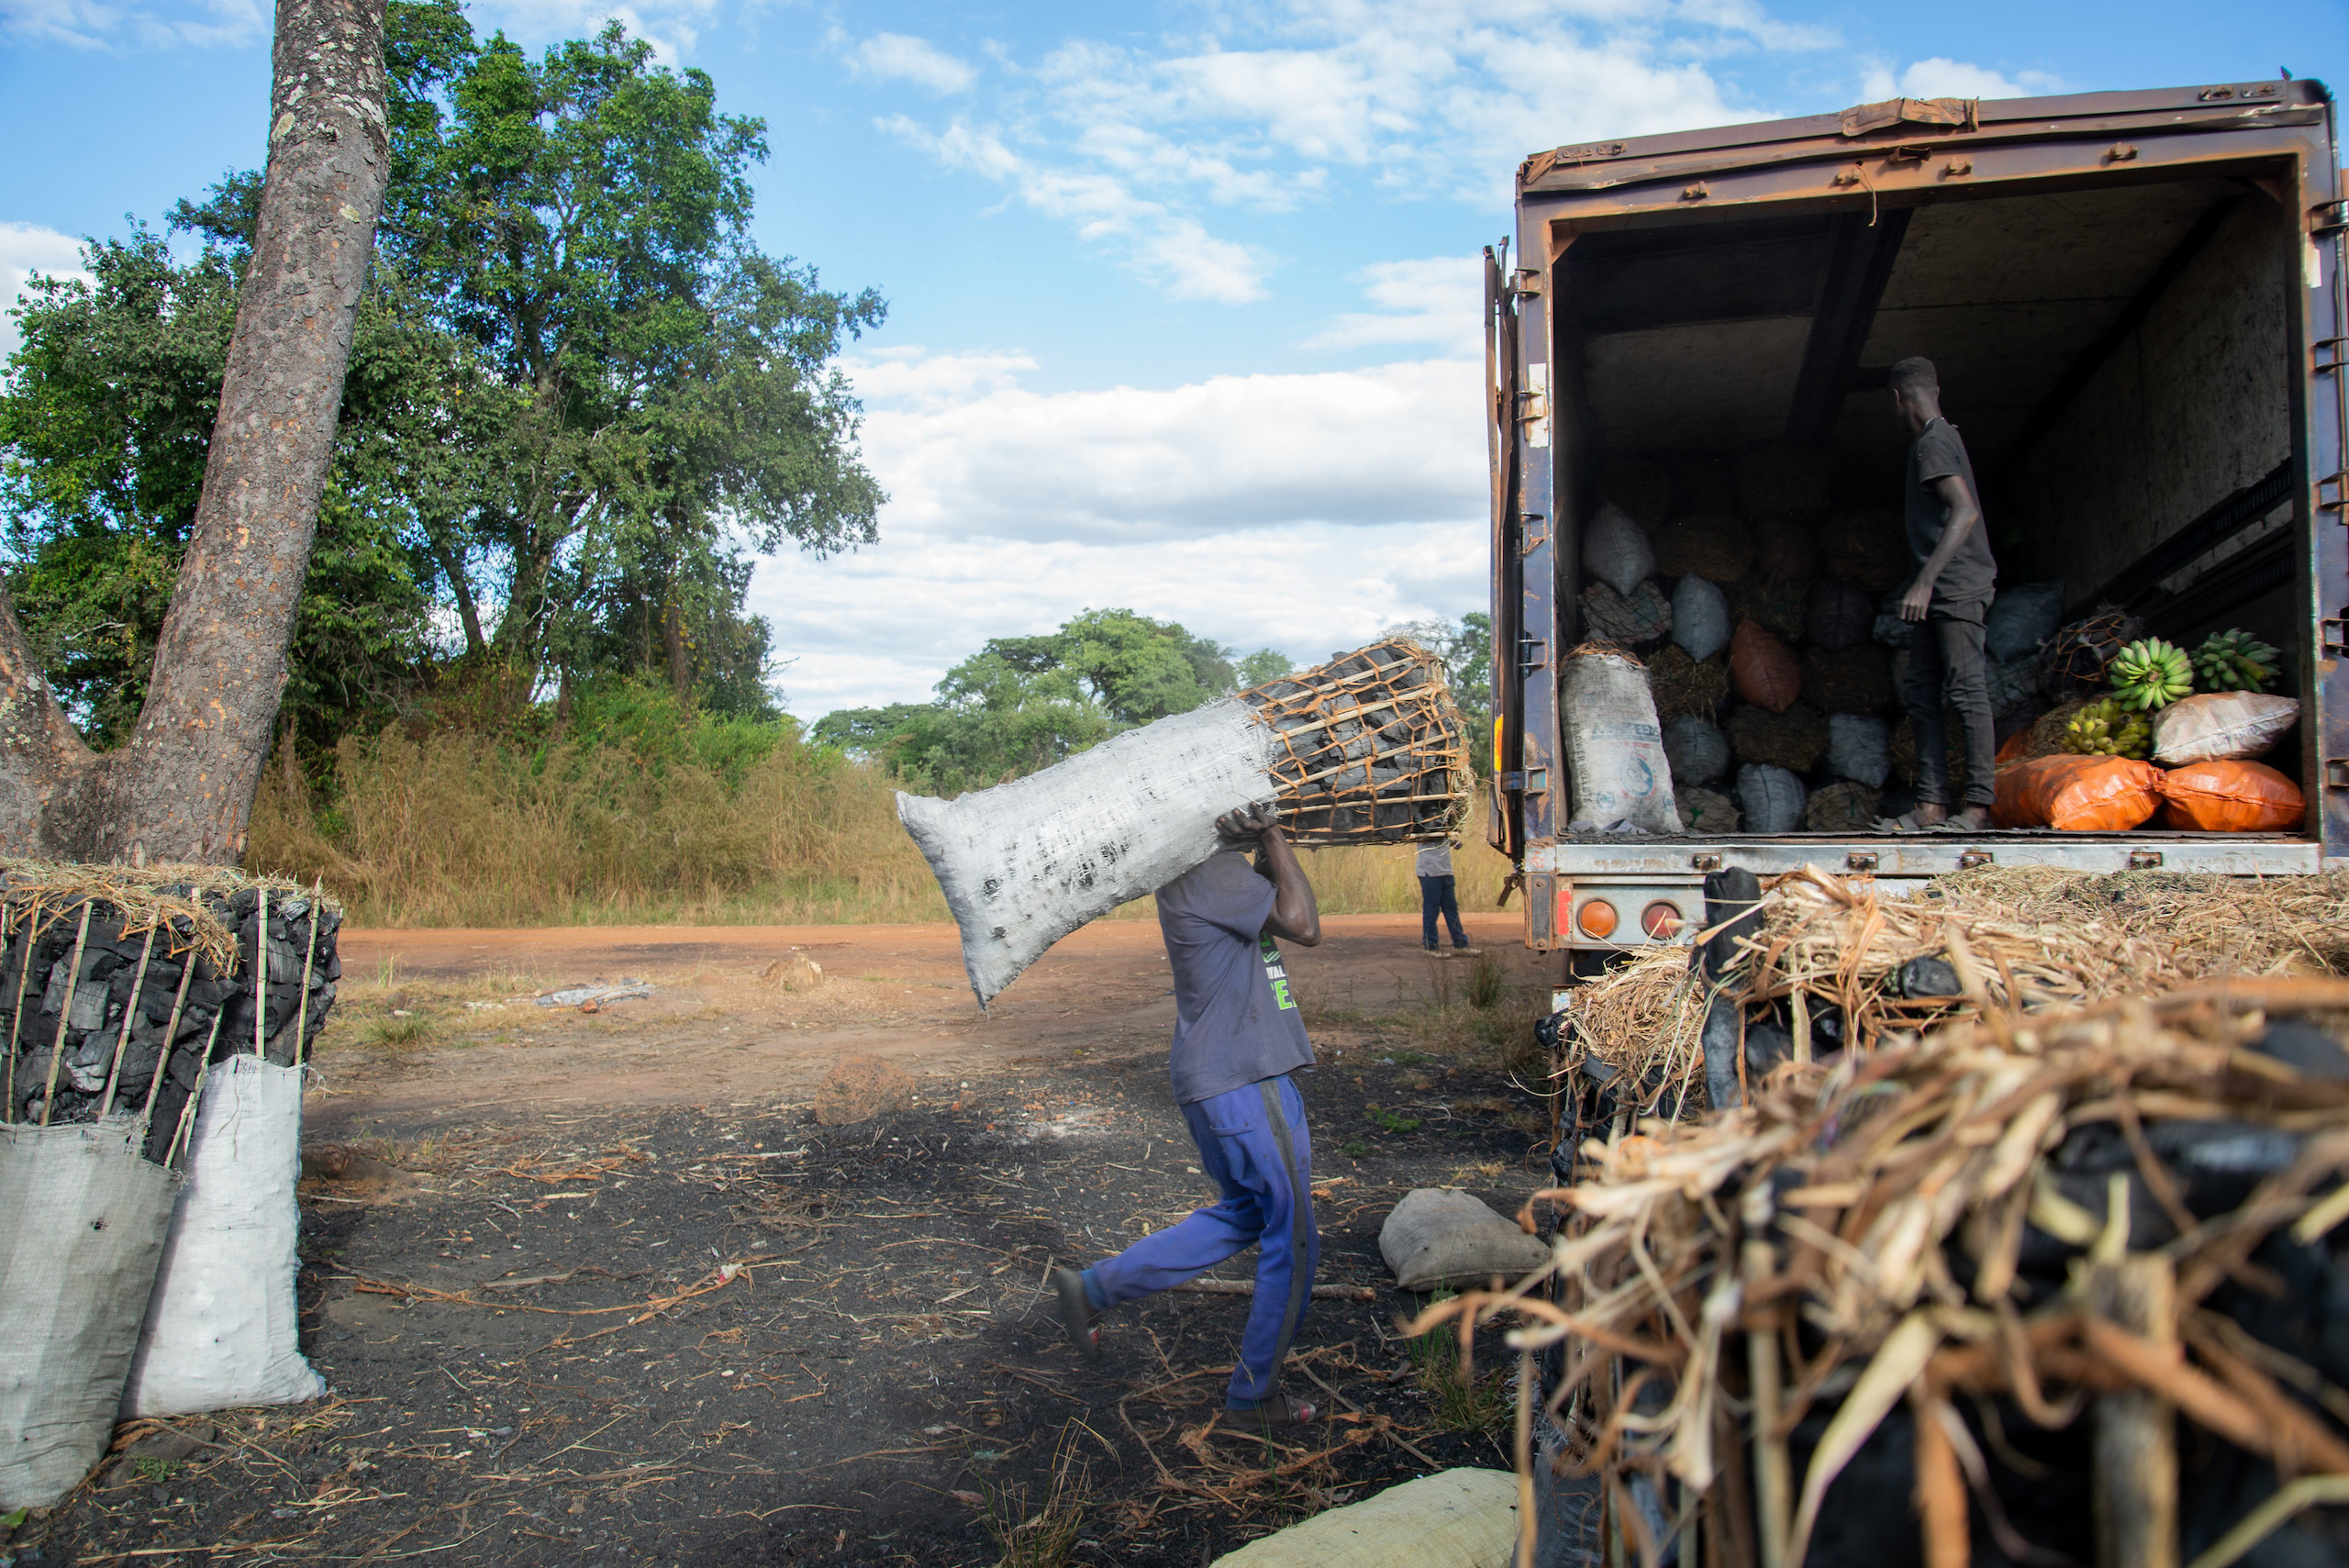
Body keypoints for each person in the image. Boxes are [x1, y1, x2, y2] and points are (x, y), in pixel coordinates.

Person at [1053, 802, 1324, 1424]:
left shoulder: (1203, 873)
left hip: (1214, 1079)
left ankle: (1092, 1291)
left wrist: (1266, 843)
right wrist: (1274, 831)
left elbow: (1273, 896)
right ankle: (1255, 1397)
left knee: (1247, 1214)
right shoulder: (1206, 870)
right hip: (1245, 1076)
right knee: (1297, 1235)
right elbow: (1303, 922)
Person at [1887, 355, 1998, 832]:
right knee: (1920, 690)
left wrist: (1925, 580)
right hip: (1943, 591)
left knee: (1967, 689)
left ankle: (1978, 808)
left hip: (1955, 588)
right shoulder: (1937, 439)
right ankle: (1931, 805)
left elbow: (1965, 511)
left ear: (1898, 399)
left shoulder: (1932, 443)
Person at [1415, 836, 1473, 955]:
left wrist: (1451, 841)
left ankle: (1460, 944)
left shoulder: (1444, 828)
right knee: (1431, 911)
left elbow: (1447, 840)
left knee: (1451, 909)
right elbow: (1423, 837)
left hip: (1445, 871)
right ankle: (1430, 946)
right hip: (1430, 872)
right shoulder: (1424, 825)